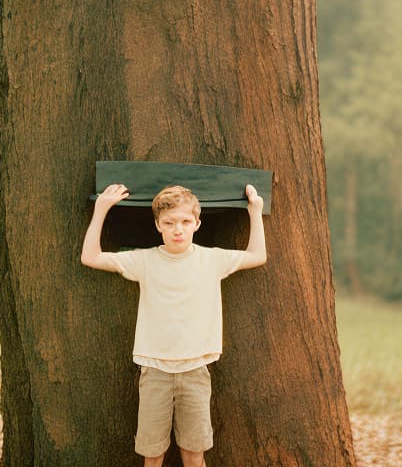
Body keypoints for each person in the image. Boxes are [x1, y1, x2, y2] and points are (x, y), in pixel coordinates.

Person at [81, 183, 267, 467]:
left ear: (197, 223)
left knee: (194, 455)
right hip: (155, 371)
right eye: (169, 223)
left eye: (185, 221)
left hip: (195, 370)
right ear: (158, 225)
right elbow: (90, 257)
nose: (177, 229)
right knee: (152, 455)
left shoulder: (212, 259)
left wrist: (255, 211)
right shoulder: (145, 260)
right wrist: (101, 208)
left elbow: (257, 256)